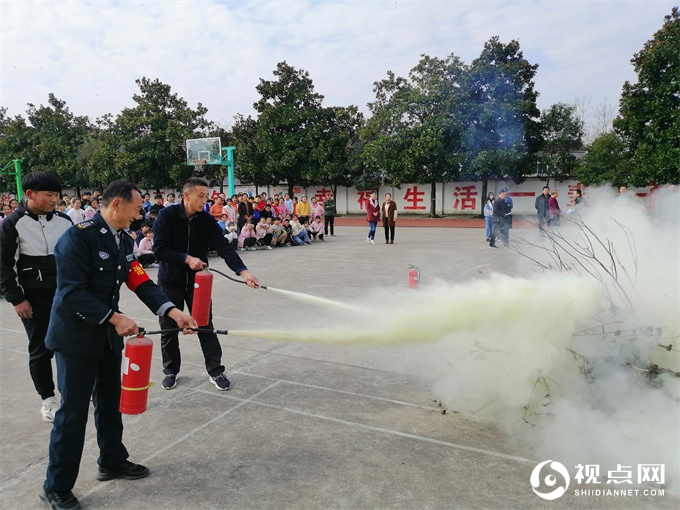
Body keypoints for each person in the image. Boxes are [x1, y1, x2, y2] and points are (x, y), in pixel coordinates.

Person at [41, 181, 198, 510]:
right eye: (136, 208)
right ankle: (55, 487)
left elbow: (138, 278)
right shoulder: (77, 238)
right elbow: (71, 293)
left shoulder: (124, 242)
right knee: (72, 414)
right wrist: (114, 317)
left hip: (107, 339)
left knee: (110, 403)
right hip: (75, 339)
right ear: (115, 204)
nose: (140, 214)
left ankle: (111, 461)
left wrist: (172, 311)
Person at [152, 177, 260, 391]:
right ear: (186, 195)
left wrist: (244, 272)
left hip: (198, 284)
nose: (205, 200)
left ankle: (215, 370)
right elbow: (159, 250)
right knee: (168, 329)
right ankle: (171, 370)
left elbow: (224, 248)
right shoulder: (167, 216)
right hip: (169, 282)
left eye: (206, 196)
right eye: (200, 196)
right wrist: (186, 258)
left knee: (205, 326)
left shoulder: (206, 220)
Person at [0, 172, 72, 423]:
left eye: (56, 195)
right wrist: (17, 299)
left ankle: (74, 389)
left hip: (66, 294)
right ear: (30, 194)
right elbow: (4, 266)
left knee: (72, 343)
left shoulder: (64, 221)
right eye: (48, 195)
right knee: (41, 348)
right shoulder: (12, 224)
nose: (54, 200)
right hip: (34, 297)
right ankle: (48, 399)